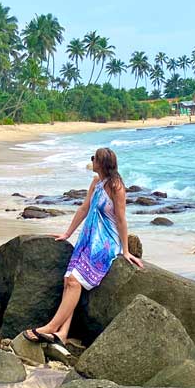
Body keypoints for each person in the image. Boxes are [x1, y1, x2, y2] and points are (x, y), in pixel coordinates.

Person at [25, 146, 143, 350]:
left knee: (74, 281)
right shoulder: (97, 182)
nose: (91, 161)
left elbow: (122, 219)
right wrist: (67, 234)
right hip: (88, 237)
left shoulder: (116, 187)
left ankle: (50, 327)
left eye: (94, 158)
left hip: (106, 240)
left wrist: (125, 250)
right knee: (68, 279)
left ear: (102, 164)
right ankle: (62, 333)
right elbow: (84, 208)